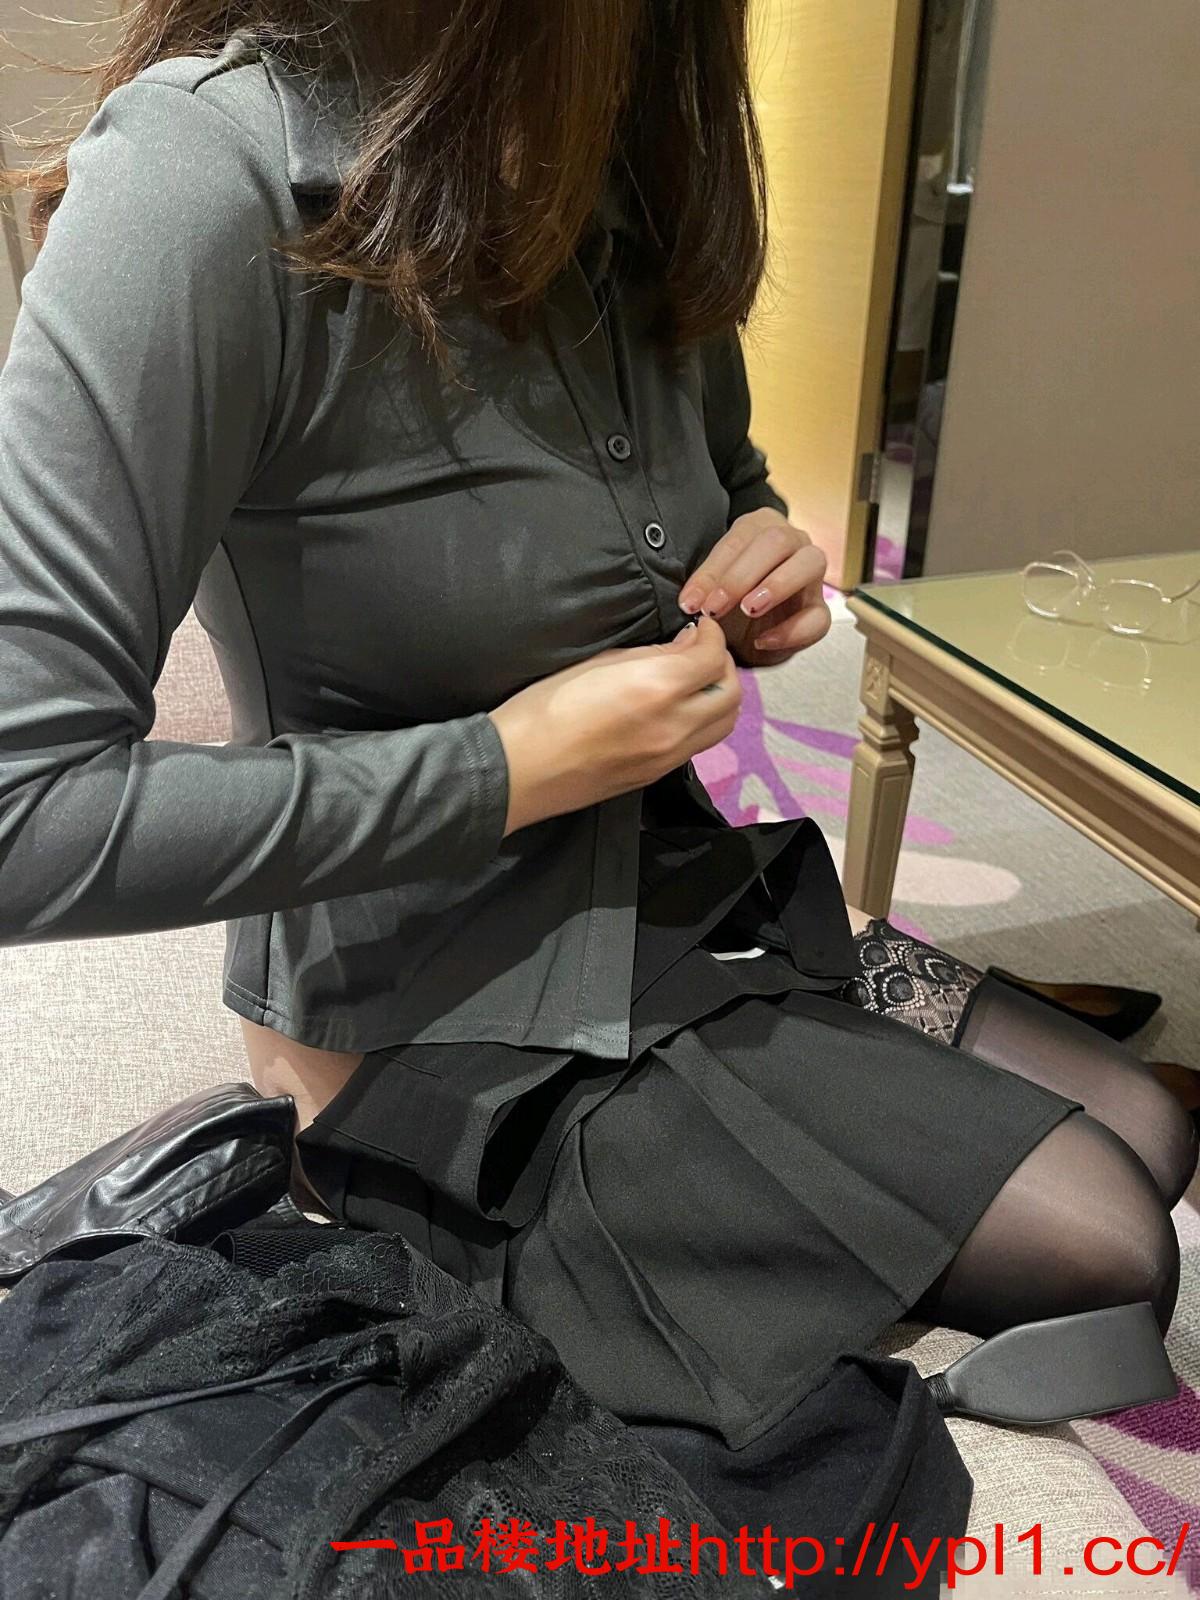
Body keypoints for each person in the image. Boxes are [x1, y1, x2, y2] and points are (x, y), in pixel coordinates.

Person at [0, 0, 1194, 1491]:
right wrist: (509, 764)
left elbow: (727, 478)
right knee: (1109, 1235)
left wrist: (759, 555)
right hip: (425, 1010)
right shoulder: (208, 174)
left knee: (1148, 1126)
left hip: (664, 883)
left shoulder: (616, 152)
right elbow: (26, 815)